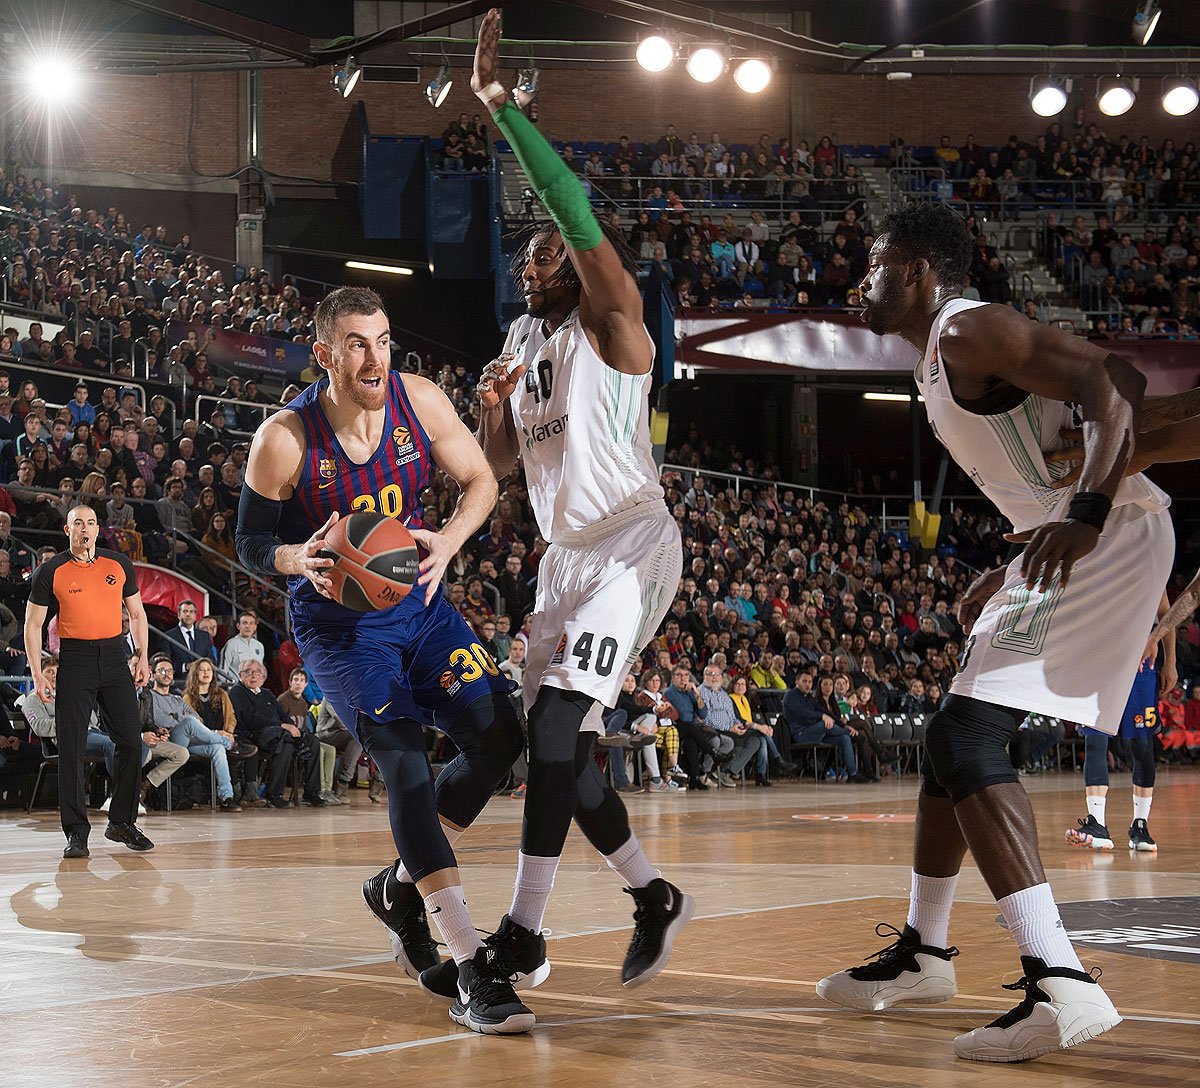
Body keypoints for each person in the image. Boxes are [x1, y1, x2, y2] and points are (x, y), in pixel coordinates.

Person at [817, 201, 1174, 1063]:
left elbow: (1111, 381)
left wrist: (1082, 513)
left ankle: (1061, 982)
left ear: (917, 272)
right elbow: (1040, 447)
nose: (860, 281)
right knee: (952, 740)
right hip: (1064, 537)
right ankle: (926, 954)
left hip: (1111, 530)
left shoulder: (966, 328)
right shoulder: (940, 359)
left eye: (874, 264)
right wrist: (1021, 545)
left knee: (963, 732)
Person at [463, 7, 693, 1015]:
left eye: (548, 251)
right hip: (562, 559)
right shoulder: (522, 336)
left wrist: (504, 111)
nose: (532, 261)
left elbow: (569, 202)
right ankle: (654, 891)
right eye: (525, 256)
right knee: (567, 753)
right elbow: (501, 466)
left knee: (556, 729)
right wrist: (485, 416)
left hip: (632, 545)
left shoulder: (612, 316)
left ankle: (522, 931)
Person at [234, 282, 530, 1036]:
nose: (376, 356)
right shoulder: (285, 438)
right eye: (358, 343)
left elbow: (483, 478)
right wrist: (299, 555)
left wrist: (450, 541)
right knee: (402, 764)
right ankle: (469, 962)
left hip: (421, 603)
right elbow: (249, 543)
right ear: (325, 353)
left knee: (500, 739)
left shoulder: (420, 400)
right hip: (339, 628)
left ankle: (399, 889)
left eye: (384, 339)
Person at [23, 505, 156, 857]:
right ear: (67, 530)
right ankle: (76, 832)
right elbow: (32, 626)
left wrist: (142, 655)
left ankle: (121, 822)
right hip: (76, 660)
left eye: (91, 523)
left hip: (114, 658)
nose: (85, 528)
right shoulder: (51, 571)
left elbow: (138, 614)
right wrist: (37, 672)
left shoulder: (118, 564)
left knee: (131, 741)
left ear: (99, 529)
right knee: (71, 747)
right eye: (78, 523)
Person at [1067, 592, 1174, 852]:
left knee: (1142, 745)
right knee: (1095, 739)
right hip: (1098, 661)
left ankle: (1140, 826)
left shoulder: (1149, 559)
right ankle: (1097, 825)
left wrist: (1170, 661)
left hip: (1139, 663)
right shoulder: (1095, 560)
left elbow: (1167, 615)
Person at [141, 655, 245, 812]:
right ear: (153, 675)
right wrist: (183, 718)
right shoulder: (150, 697)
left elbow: (198, 719)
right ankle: (229, 743)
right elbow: (162, 720)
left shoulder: (177, 699)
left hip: (186, 743)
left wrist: (181, 718)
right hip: (168, 739)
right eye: (162, 670)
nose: (167, 674)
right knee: (189, 723)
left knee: (216, 747)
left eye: (169, 670)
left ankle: (227, 797)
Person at [161, 598, 213, 675]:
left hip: (201, 682)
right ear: (178, 615)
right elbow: (165, 663)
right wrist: (185, 667)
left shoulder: (204, 636)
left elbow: (211, 660)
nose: (188, 614)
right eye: (185, 611)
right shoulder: (168, 636)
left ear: (195, 615)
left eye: (191, 612)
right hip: (180, 683)